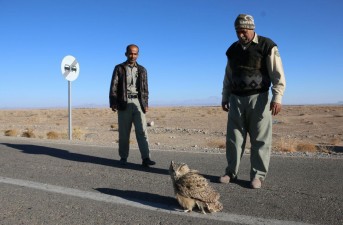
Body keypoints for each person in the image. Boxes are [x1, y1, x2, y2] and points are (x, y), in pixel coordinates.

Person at [219, 14, 286, 188]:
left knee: (260, 139)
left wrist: (277, 97)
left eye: (244, 31)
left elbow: (277, 74)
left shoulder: (267, 45)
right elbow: (228, 76)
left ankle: (258, 175)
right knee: (234, 139)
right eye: (237, 31)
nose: (241, 35)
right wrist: (225, 96)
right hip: (236, 99)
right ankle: (230, 172)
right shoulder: (232, 50)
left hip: (259, 98)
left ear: (252, 28)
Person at [109, 44, 156, 167]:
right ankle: (123, 158)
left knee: (142, 131)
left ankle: (146, 158)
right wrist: (113, 102)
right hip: (124, 102)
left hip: (138, 103)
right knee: (124, 133)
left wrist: (145, 103)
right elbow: (113, 86)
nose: (133, 56)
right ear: (126, 54)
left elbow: (145, 88)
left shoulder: (142, 70)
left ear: (138, 55)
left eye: (135, 53)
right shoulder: (119, 68)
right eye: (130, 53)